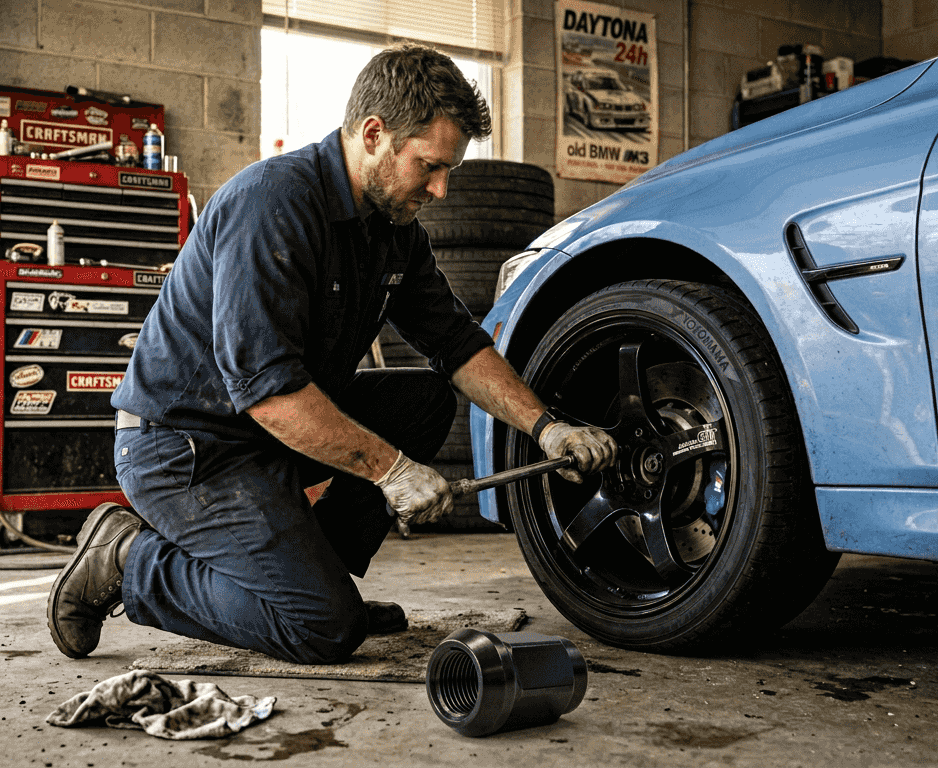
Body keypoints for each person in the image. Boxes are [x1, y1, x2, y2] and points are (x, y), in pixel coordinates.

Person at [47, 42, 617, 664]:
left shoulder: (393, 228)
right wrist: (391, 471)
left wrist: (547, 426)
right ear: (374, 134)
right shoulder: (271, 204)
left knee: (425, 399)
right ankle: (128, 559)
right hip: (186, 447)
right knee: (323, 630)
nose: (443, 189)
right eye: (429, 165)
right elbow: (268, 392)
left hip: (264, 434)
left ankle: (313, 577)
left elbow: (456, 343)